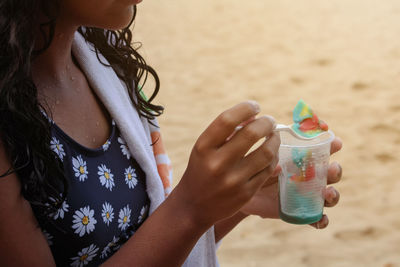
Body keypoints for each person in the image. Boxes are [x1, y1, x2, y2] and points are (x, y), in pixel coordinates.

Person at [0, 0, 343, 266]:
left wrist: (232, 204)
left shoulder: (105, 61)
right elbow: (176, 219)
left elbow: (145, 240)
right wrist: (189, 208)